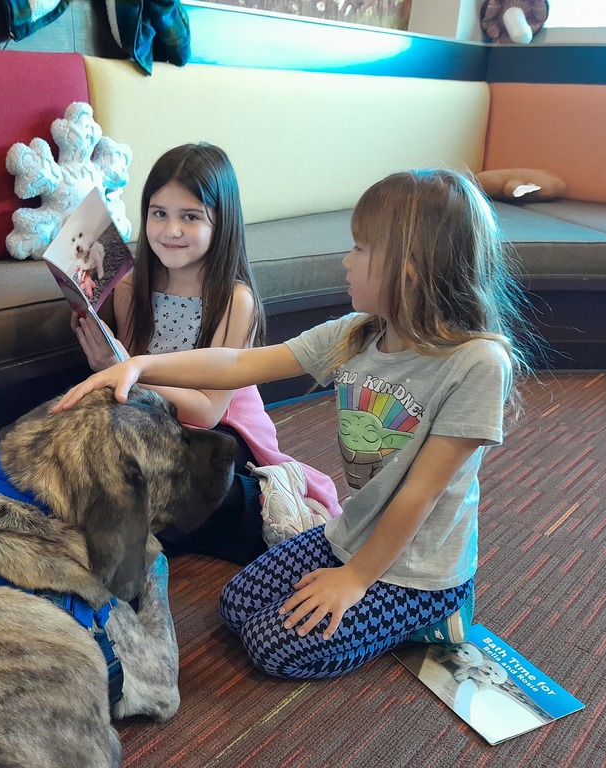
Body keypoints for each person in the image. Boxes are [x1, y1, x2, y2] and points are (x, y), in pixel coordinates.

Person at [56, 169, 539, 679]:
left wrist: (353, 579)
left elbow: (419, 495)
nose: (346, 261)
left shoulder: (478, 364)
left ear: (409, 268)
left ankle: (432, 615)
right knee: (236, 605)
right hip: (351, 530)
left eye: (360, 248)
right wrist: (140, 366)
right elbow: (240, 365)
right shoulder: (360, 333)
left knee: (274, 649)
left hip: (418, 572)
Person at [71, 143, 342, 565]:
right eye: (159, 213)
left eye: (190, 217)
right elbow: (136, 387)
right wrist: (109, 364)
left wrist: (125, 369)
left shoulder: (234, 300)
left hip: (220, 436)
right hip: (155, 419)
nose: (171, 230)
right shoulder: (130, 287)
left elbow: (207, 411)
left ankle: (260, 507)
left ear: (222, 223)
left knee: (182, 482)